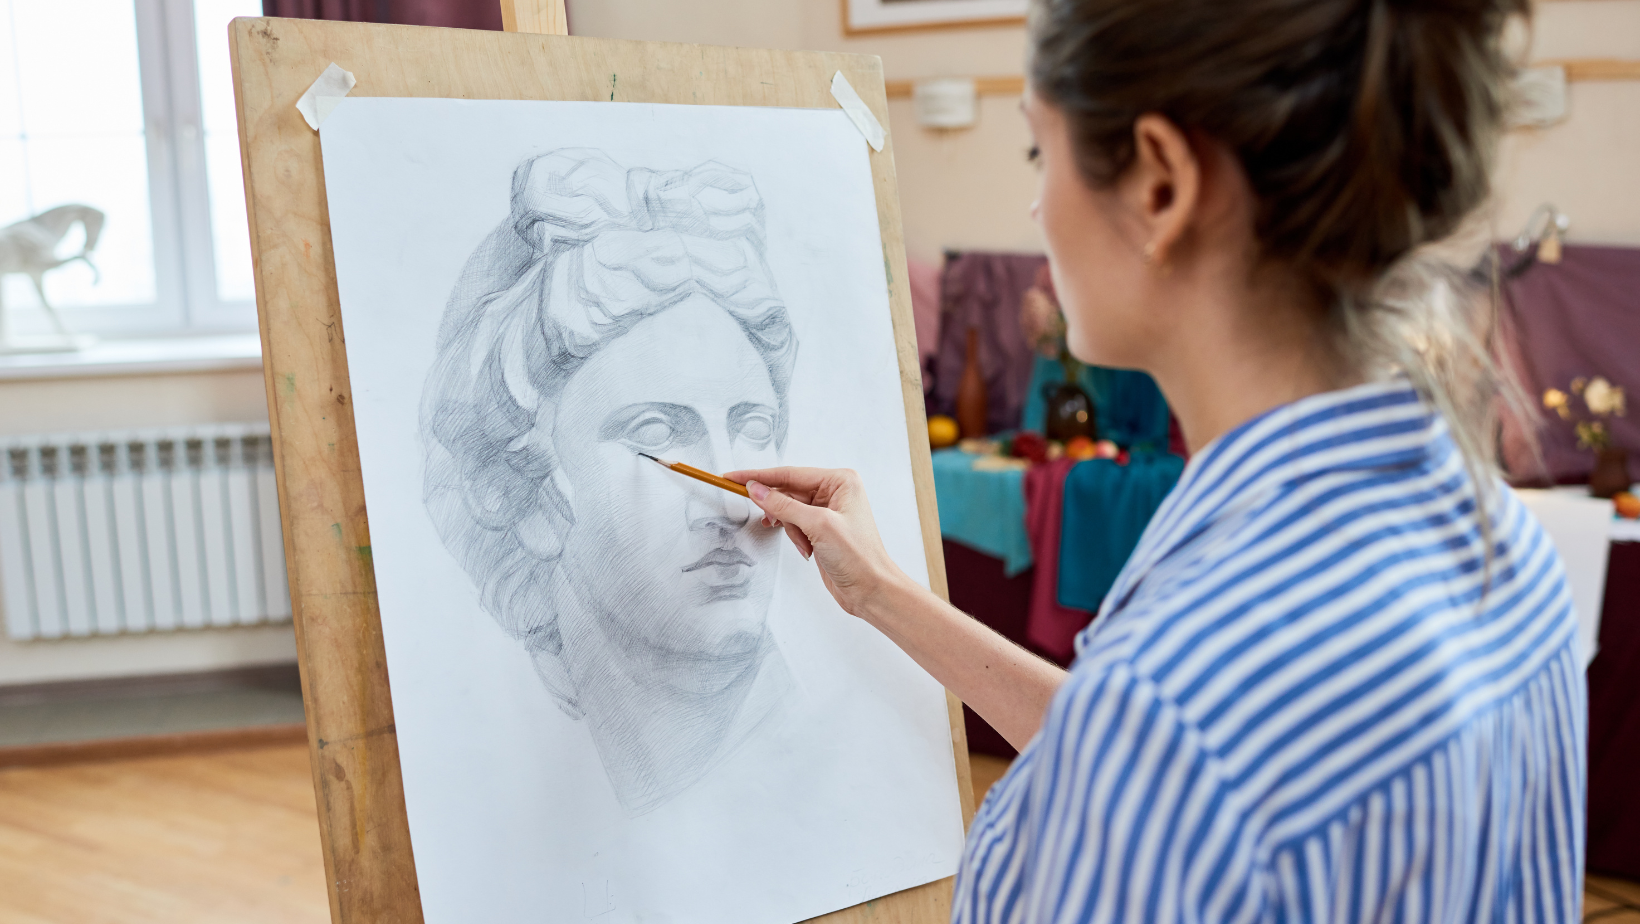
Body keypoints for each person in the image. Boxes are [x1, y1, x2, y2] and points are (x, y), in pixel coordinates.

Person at [734, 0, 1587, 919]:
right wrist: (884, 596)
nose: (1035, 204)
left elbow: (1163, 752)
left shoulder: (1176, 724)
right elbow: (1155, 748)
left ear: (1161, 187)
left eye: (1038, 153)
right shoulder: (1509, 547)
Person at [422, 150, 799, 814]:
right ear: (528, 485)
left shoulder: (839, 762)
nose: (734, 502)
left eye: (753, 427)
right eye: (656, 433)